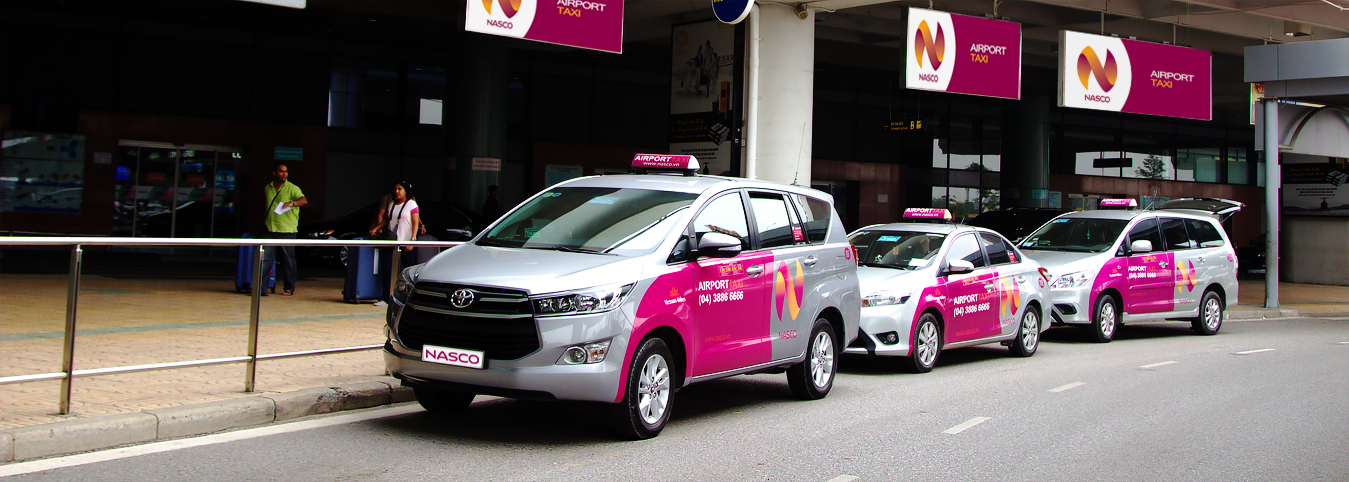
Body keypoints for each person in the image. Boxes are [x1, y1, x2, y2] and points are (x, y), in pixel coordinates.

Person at [370, 181, 421, 303]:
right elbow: (387, 220)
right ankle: (386, 297)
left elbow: (415, 224)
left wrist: (412, 241)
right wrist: (376, 228)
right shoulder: (392, 204)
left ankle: (408, 298)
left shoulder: (411, 204)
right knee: (387, 269)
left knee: (408, 271)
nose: (397, 191)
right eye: (395, 189)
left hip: (406, 243)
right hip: (392, 242)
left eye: (400, 189)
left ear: (406, 191)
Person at [261, 162, 306, 296]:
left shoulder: (292, 188)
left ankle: (289, 287)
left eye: (286, 171)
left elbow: (303, 200)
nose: (284, 174)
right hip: (270, 228)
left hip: (287, 230)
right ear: (274, 173)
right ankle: (261, 288)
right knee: (265, 259)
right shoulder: (267, 188)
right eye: (281, 171)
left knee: (288, 260)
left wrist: (292, 203)